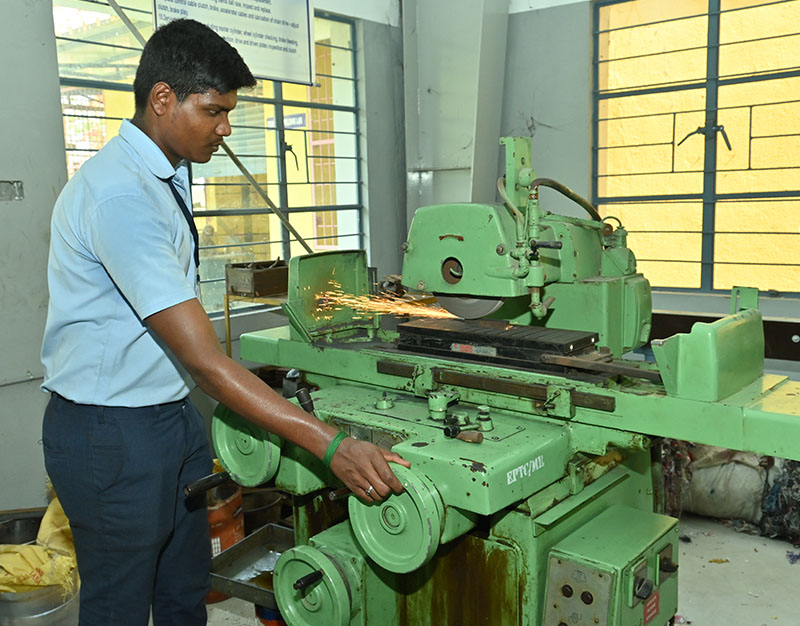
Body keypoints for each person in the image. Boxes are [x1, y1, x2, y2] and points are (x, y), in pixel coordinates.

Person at [40, 18, 408, 626]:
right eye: (213, 111)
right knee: (119, 606)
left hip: (168, 419)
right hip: (110, 434)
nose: (226, 127)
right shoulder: (120, 195)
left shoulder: (167, 171)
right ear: (163, 99)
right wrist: (330, 443)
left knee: (186, 591)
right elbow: (207, 364)